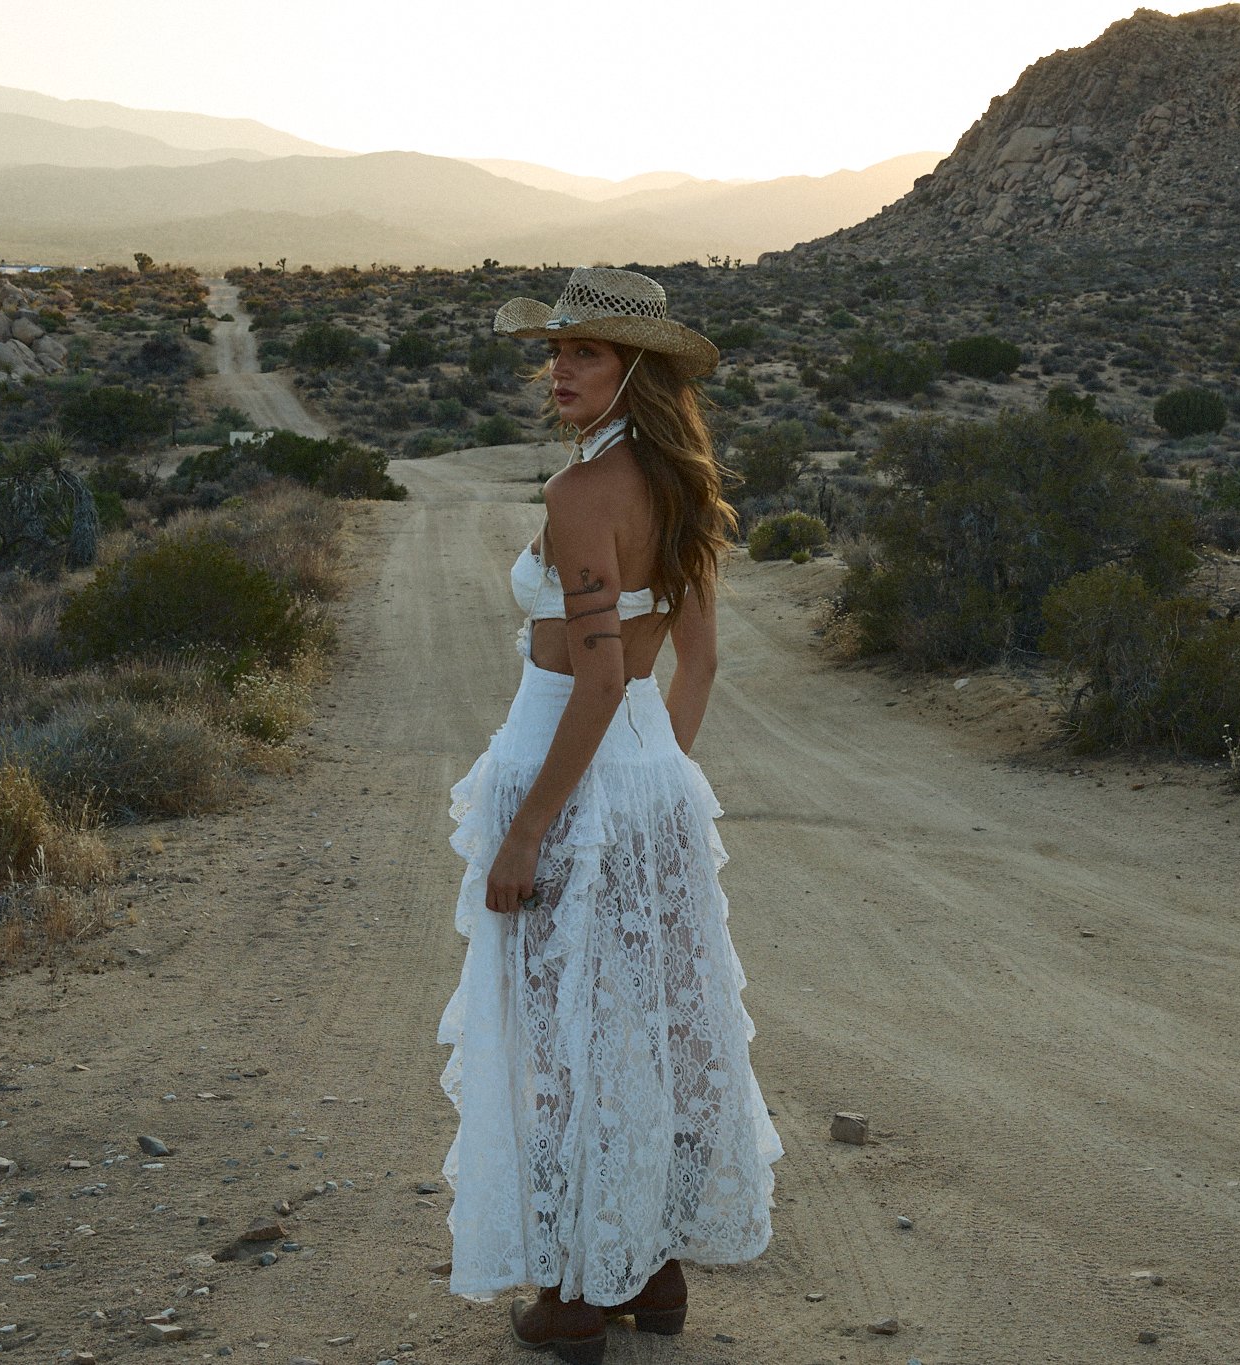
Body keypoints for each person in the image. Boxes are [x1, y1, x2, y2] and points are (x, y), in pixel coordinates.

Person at [438, 267, 783, 1363]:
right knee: (644, 1025)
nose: (559, 371)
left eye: (583, 353)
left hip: (568, 765)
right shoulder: (680, 488)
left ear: (633, 370)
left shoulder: (581, 495)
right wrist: (646, 790)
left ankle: (574, 1295)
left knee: (557, 1039)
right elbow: (696, 661)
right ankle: (653, 1271)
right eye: (555, 351)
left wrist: (536, 825)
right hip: (645, 778)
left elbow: (588, 683)